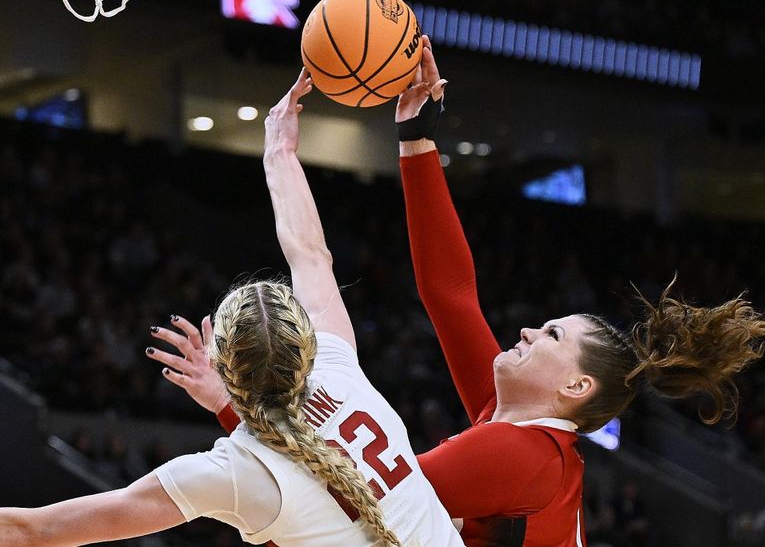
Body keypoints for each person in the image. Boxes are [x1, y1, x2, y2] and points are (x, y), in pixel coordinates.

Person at [175, 40, 765, 547]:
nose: (525, 330)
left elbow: (355, 504)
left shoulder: (520, 453)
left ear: (575, 387)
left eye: (551, 335)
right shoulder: (519, 434)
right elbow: (450, 294)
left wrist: (234, 410)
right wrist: (417, 141)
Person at [0, 71, 465, 547]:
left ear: (225, 365)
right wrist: (279, 150)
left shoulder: (234, 474)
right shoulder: (338, 369)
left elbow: (40, 529)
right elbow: (309, 253)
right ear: (304, 346)